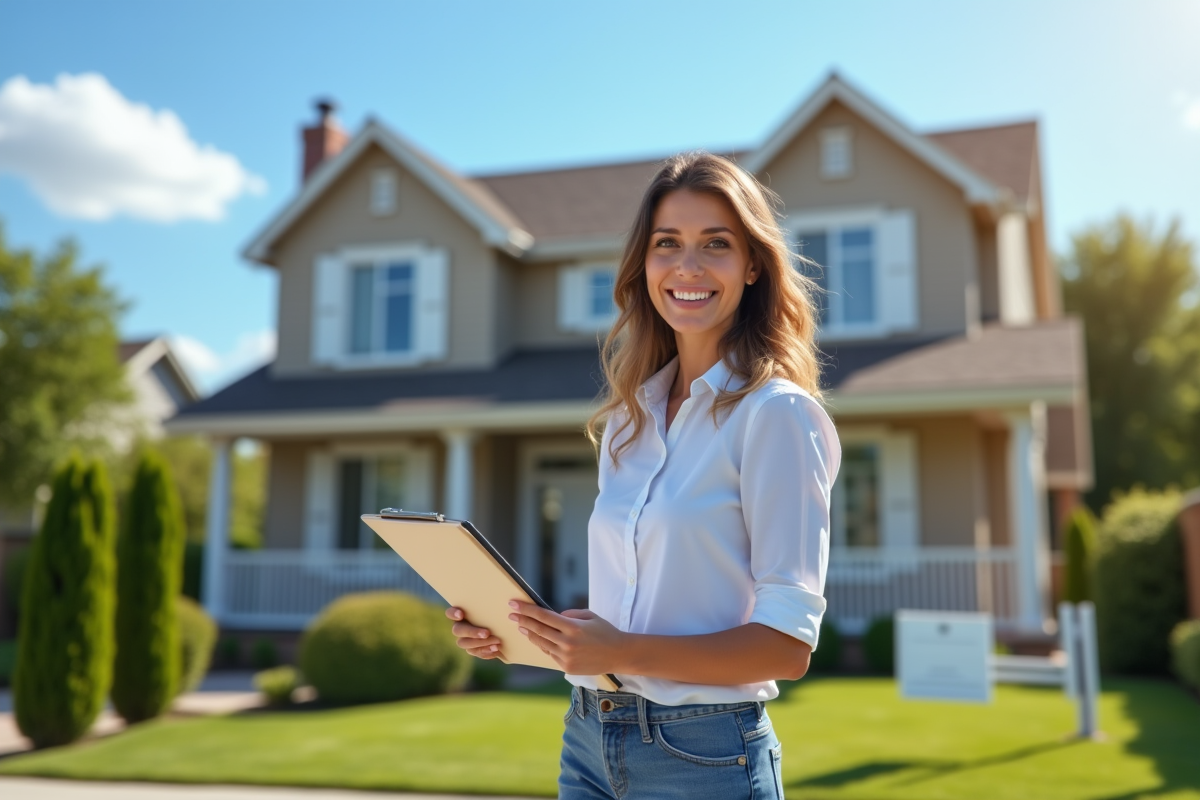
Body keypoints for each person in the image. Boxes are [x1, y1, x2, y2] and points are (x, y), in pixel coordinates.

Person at [446, 151, 840, 799]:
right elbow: (627, 618)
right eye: (667, 244)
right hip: (589, 735)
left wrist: (619, 650)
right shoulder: (630, 423)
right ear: (644, 265)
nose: (687, 266)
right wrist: (530, 634)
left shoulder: (776, 416)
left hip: (707, 754)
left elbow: (785, 647)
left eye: (715, 244)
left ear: (751, 266)